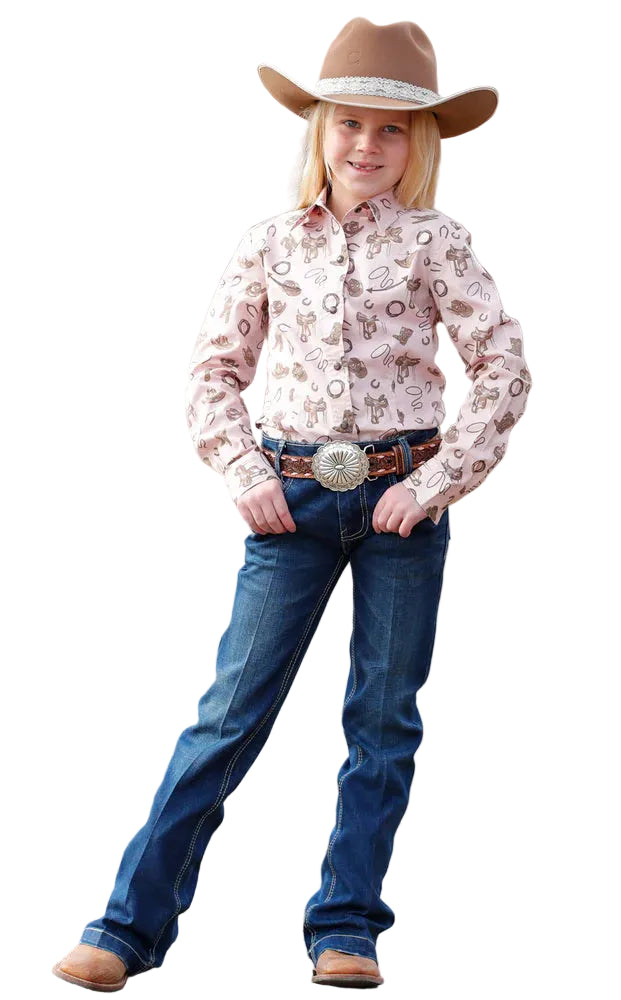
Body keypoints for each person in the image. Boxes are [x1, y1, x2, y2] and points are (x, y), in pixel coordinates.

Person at [52, 17, 532, 992]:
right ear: (320, 129)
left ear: (419, 142)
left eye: (391, 129)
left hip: (402, 503)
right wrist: (244, 470)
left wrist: (431, 484)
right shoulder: (269, 243)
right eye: (349, 122)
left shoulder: (438, 243)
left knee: (383, 721)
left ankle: (346, 927)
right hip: (291, 501)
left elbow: (503, 368)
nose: (367, 144)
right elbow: (213, 370)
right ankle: (125, 927)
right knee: (228, 714)